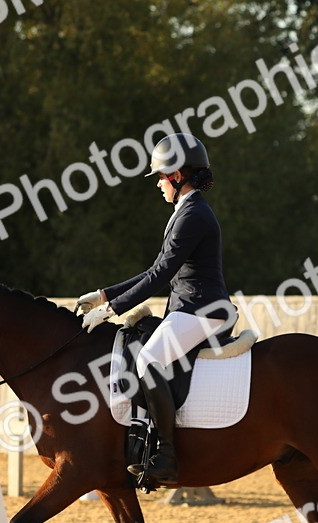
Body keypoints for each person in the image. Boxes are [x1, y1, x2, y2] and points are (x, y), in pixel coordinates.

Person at [77, 133, 235, 483]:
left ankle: (167, 455)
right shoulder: (187, 210)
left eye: (162, 177)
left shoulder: (193, 214)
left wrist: (111, 309)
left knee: (149, 359)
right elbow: (155, 270)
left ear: (178, 175)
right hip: (190, 306)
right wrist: (103, 296)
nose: (159, 185)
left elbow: (161, 274)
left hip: (202, 309)